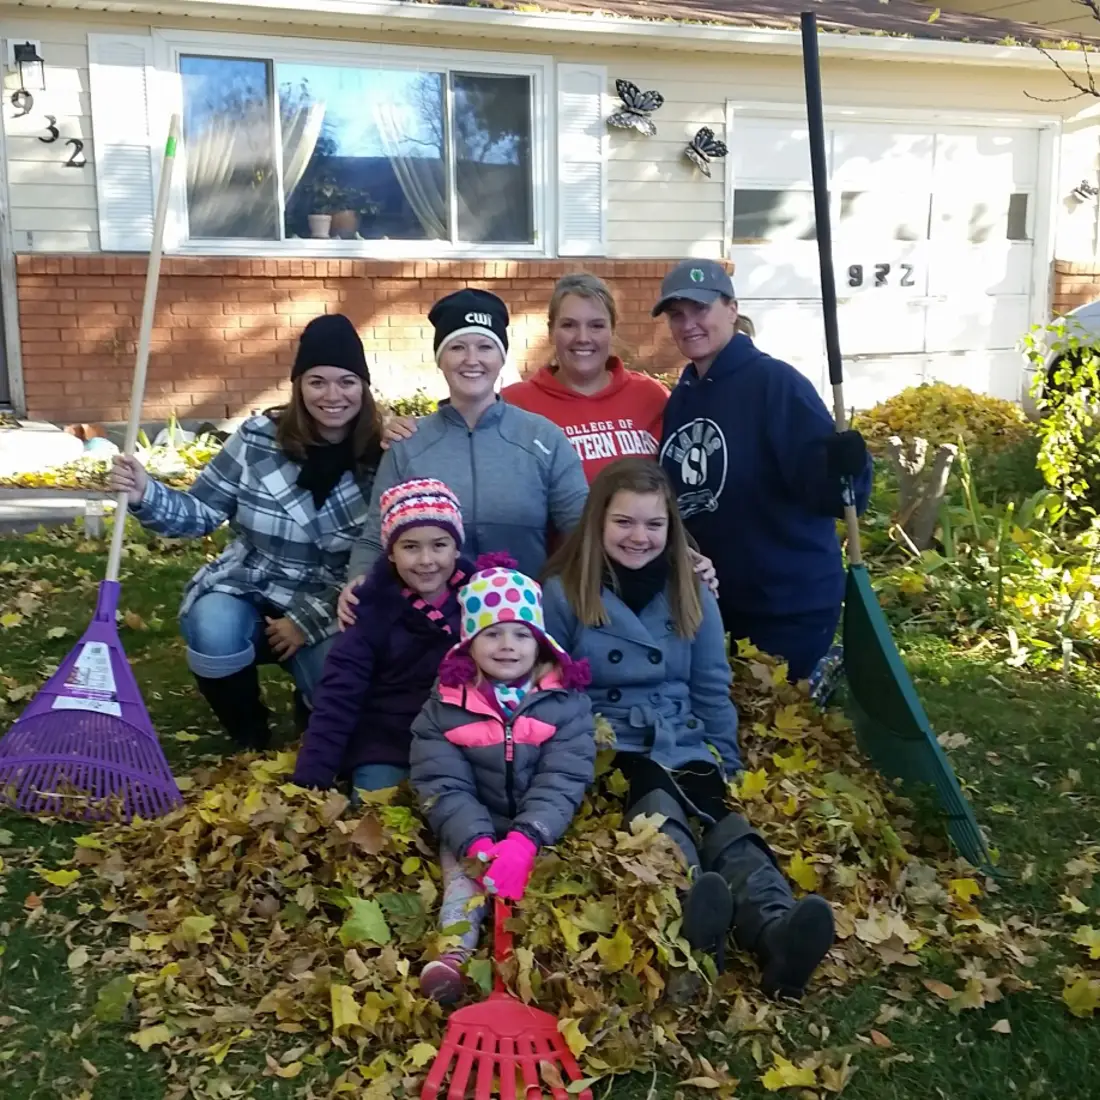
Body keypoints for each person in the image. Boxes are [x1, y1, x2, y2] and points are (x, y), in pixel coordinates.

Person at [541, 459, 835, 999]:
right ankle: (690, 926)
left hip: (680, 734)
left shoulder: (691, 587)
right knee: (659, 813)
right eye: (625, 522)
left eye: (655, 525)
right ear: (598, 521)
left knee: (721, 817)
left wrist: (726, 760)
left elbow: (710, 682)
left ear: (671, 527)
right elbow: (549, 686)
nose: (640, 537)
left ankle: (776, 932)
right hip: (607, 742)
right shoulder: (563, 592)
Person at [108, 313, 382, 749]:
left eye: (347, 381)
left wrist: (305, 621)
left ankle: (310, 704)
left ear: (363, 388)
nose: (333, 395)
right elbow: (200, 513)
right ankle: (249, 733)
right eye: (317, 381)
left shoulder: (381, 457)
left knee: (338, 698)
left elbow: (380, 563)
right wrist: (145, 493)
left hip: (330, 602)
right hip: (249, 587)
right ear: (298, 385)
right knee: (213, 627)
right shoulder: (258, 441)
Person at [653, 259, 872, 681]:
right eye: (677, 315)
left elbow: (832, 495)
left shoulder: (775, 384)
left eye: (700, 309)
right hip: (717, 601)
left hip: (784, 604)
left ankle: (823, 674)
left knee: (778, 730)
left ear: (732, 309)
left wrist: (847, 467)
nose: (688, 324)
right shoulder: (684, 395)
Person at [339, 289, 588, 627]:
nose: (472, 359)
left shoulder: (543, 438)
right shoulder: (408, 443)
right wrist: (359, 582)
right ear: (440, 359)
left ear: (501, 358)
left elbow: (583, 531)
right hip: (426, 628)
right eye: (457, 347)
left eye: (485, 347)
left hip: (523, 627)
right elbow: (375, 536)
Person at [409, 558, 596, 1004]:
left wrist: (527, 839)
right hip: (473, 828)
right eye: (491, 634)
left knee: (544, 890)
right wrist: (476, 843)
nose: (507, 645)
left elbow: (563, 778)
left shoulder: (564, 704)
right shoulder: (446, 707)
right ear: (469, 644)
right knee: (462, 883)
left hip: (540, 831)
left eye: (520, 634)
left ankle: (539, 969)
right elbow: (441, 783)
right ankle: (453, 957)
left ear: (539, 642)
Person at [292, 478, 473, 796]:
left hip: (462, 736)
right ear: (391, 552)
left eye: (439, 545)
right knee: (378, 811)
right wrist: (311, 780)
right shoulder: (372, 609)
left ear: (456, 547)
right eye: (410, 547)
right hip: (387, 738)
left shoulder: (481, 599)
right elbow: (339, 695)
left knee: (463, 808)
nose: (426, 560)